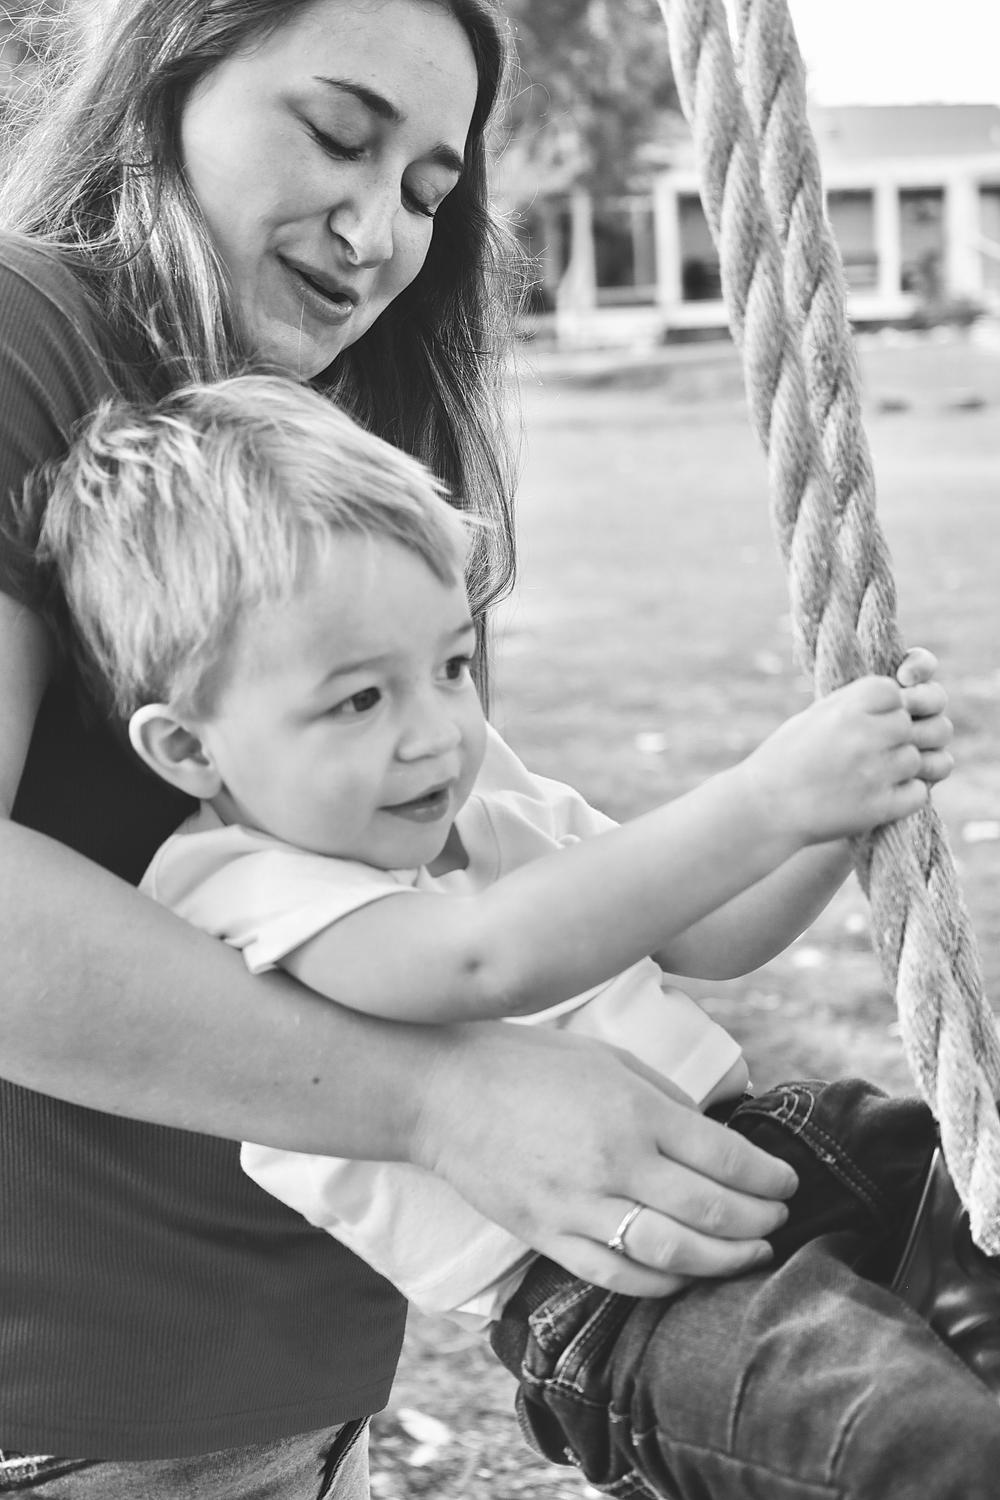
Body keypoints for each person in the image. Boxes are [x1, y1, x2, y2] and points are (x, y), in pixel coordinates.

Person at [0, 0, 801, 1491]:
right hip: (77, 1416)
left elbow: (567, 890)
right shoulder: (19, 327)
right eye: (335, 133)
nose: (377, 234)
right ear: (169, 76)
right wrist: (439, 1100)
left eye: (431, 191)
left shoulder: (303, 449)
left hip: (290, 1397)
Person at [35, 371, 1000, 1500]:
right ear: (189, 749)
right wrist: (767, 799)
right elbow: (481, 960)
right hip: (625, 1295)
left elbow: (712, 934)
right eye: (359, 699)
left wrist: (835, 820)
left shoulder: (484, 800)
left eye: (450, 666)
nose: (436, 734)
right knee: (913, 1443)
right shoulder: (233, 887)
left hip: (783, 1147)